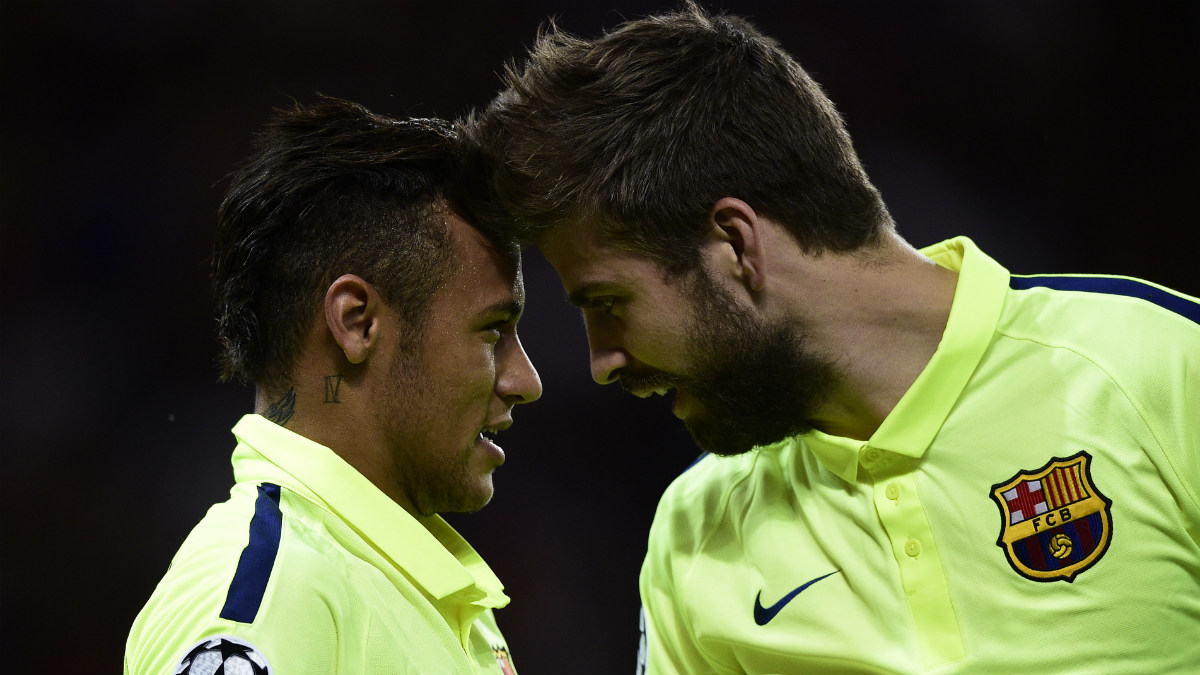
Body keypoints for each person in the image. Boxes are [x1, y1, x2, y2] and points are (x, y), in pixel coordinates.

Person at [467, 4, 1200, 674]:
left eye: (608, 301)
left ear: (735, 244)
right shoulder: (695, 534)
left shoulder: (1160, 366)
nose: (601, 362)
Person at [125, 97, 541, 675]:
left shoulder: (425, 587)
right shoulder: (266, 601)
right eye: (493, 332)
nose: (526, 380)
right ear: (356, 322)